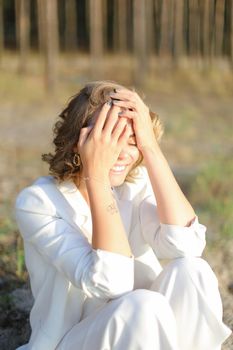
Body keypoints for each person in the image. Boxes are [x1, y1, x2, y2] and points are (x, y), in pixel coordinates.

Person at [15, 80, 231, 350]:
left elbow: (187, 244)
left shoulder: (134, 184)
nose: (122, 153)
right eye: (108, 140)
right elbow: (111, 282)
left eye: (132, 140)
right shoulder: (38, 203)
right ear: (77, 142)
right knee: (143, 304)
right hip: (73, 340)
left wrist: (151, 148)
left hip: (145, 329)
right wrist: (96, 176)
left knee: (193, 270)